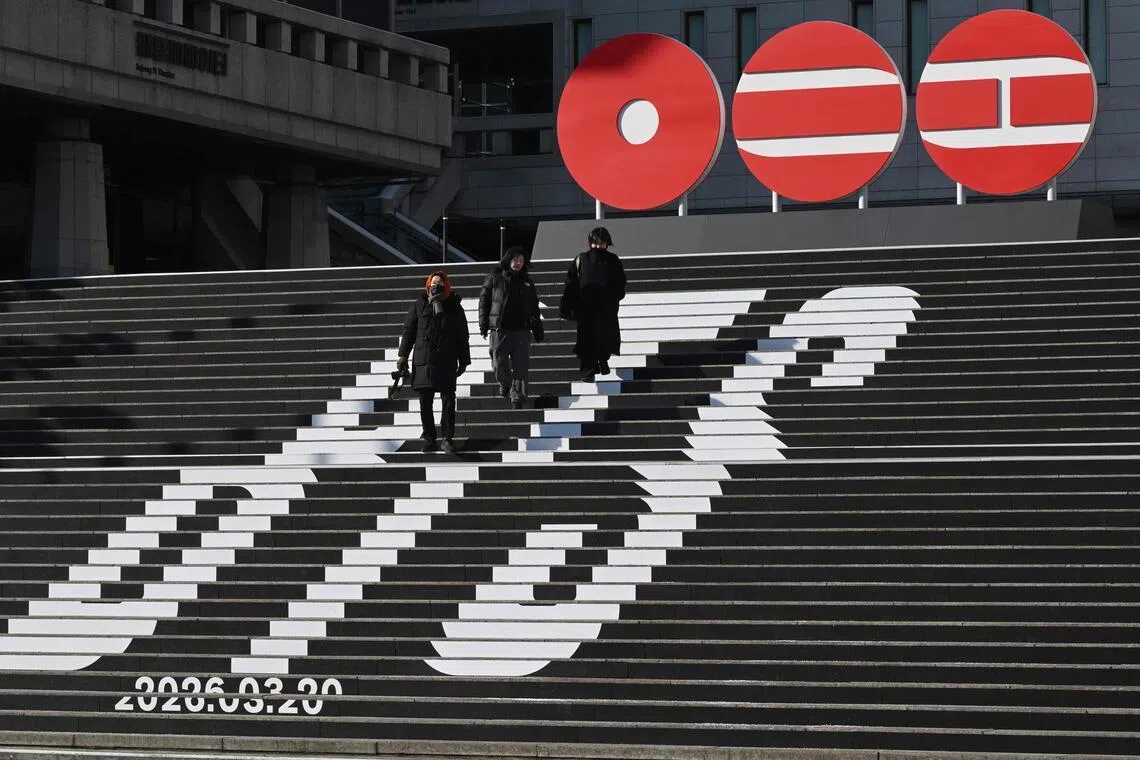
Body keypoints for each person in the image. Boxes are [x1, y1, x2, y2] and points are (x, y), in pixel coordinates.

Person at [397, 271, 470, 453]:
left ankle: (447, 438)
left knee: (448, 402)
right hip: (424, 360)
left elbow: (462, 335)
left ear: (447, 285)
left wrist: (464, 360)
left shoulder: (454, 306)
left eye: (440, 282)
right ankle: (429, 438)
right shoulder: (419, 304)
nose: (436, 285)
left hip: (446, 359)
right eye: (434, 282)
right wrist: (403, 355)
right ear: (428, 285)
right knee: (425, 402)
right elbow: (409, 332)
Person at [479, 245, 545, 409]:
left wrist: (538, 331)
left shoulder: (527, 282)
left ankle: (517, 397)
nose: (518, 263)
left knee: (521, 367)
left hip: (521, 330)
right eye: (515, 260)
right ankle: (505, 383)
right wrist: (483, 324)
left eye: (521, 260)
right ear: (508, 260)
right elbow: (484, 301)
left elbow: (534, 308)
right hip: (500, 329)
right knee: (498, 363)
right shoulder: (495, 278)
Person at [559, 226, 626, 381]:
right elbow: (571, 283)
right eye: (595, 243)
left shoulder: (613, 260)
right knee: (586, 340)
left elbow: (620, 282)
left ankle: (602, 360)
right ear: (590, 243)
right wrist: (567, 304)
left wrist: (614, 298)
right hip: (585, 308)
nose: (598, 247)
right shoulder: (581, 259)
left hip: (606, 309)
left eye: (602, 244)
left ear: (607, 244)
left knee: (606, 338)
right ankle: (588, 370)